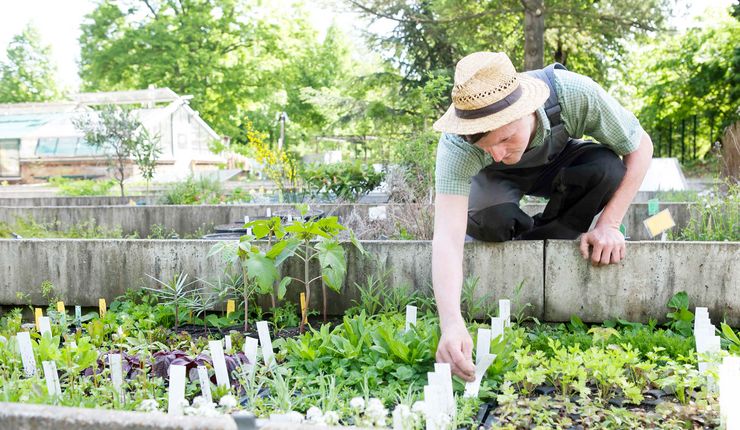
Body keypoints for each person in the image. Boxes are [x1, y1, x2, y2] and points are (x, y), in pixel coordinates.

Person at [431, 52, 653, 381]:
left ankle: (552, 233)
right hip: (495, 182)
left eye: (505, 138)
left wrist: (609, 224)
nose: (497, 153)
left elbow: (640, 146)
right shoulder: (458, 145)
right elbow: (447, 236)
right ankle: (514, 225)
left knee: (606, 167)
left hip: (560, 163)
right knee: (492, 220)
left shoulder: (575, 93)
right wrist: (450, 322)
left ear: (528, 109)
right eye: (485, 145)